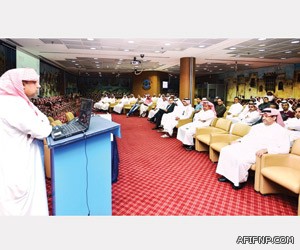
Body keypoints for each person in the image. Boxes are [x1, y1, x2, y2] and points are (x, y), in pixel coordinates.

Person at [0, 68, 52, 215]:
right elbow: (42, 129)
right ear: (21, 84)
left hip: (18, 158)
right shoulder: (13, 104)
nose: (38, 86)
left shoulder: (19, 101)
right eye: (35, 82)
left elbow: (43, 120)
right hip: (16, 162)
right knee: (18, 206)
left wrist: (43, 124)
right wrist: (44, 125)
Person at [216, 108, 290, 190]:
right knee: (226, 150)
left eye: (266, 116)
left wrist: (267, 150)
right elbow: (248, 137)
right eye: (263, 116)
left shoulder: (282, 131)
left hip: (259, 152)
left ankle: (239, 181)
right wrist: (239, 141)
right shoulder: (257, 126)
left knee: (241, 159)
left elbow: (285, 149)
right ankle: (227, 175)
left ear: (274, 117)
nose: (263, 118)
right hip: (247, 146)